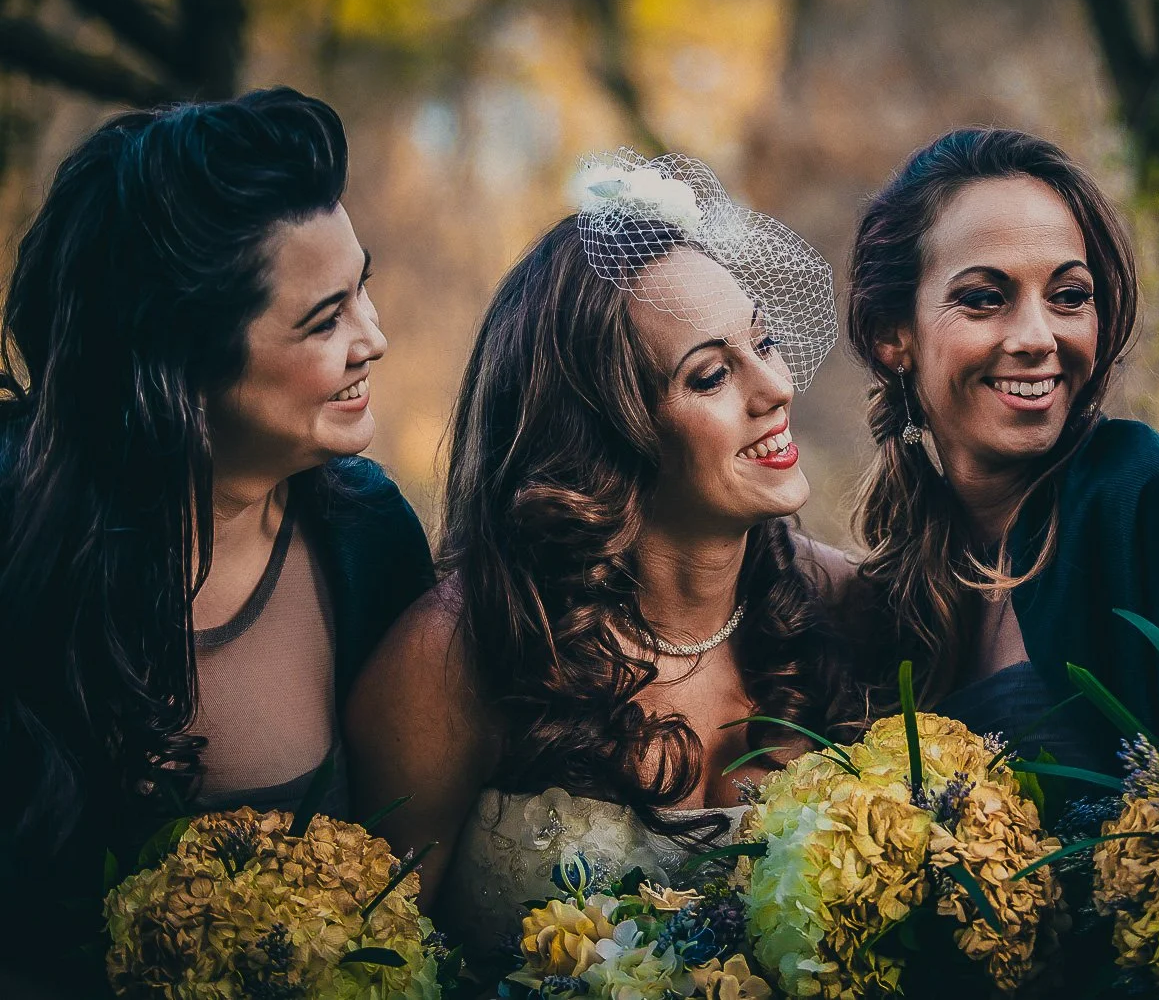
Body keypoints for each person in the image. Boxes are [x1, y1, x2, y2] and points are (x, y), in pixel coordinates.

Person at [346, 152, 855, 966]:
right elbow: (365, 967)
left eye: (765, 340)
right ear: (605, 432)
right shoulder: (458, 651)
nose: (775, 387)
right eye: (713, 373)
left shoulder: (836, 600)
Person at [0, 89, 434, 996]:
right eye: (325, 319)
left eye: (364, 286)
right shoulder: (19, 549)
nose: (376, 338)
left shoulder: (369, 539)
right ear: (176, 371)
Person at [846, 126, 1159, 773]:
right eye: (985, 298)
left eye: (1069, 296)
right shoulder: (890, 582)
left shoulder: (1152, 499)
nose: (1038, 336)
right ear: (891, 335)